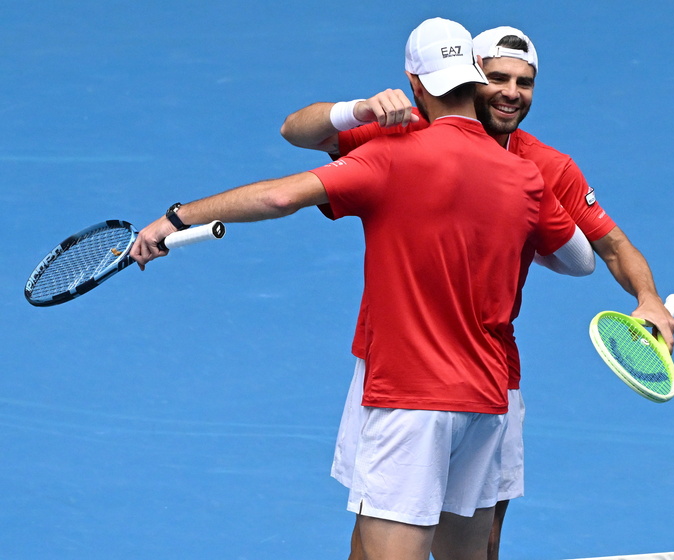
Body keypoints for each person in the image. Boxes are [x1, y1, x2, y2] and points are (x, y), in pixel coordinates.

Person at [130, 17, 589, 560]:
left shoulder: (392, 155)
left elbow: (280, 197)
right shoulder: (525, 177)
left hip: (409, 398)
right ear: (476, 78)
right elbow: (579, 259)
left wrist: (176, 218)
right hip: (486, 399)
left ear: (415, 85)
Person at [280, 25, 674, 560]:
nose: (511, 92)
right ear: (470, 78)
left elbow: (612, 247)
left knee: (480, 543)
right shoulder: (403, 133)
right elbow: (298, 130)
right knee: (371, 538)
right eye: (497, 78)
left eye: (525, 82)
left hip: (491, 373)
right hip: (397, 369)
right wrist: (361, 109)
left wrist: (647, 297)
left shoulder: (548, 167)